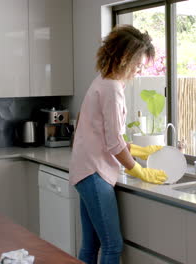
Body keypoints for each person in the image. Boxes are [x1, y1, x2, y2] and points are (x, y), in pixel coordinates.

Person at [69, 25, 167, 264]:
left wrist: (141, 150)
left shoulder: (102, 80)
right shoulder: (111, 89)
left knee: (91, 245)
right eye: (138, 63)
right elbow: (113, 143)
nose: (139, 69)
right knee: (113, 245)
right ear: (124, 58)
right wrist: (139, 169)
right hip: (94, 173)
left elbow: (104, 135)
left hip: (86, 170)